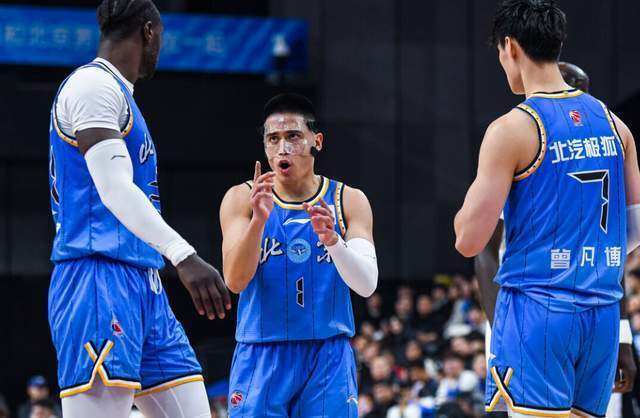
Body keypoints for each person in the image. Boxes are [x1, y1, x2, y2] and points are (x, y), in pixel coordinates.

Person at [454, 0, 639, 416]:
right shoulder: (617, 126)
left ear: (510, 47)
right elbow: (634, 231)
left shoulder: (512, 129)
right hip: (601, 314)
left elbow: (469, 241)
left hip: (537, 311)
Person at [47, 1, 231, 417]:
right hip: (97, 275)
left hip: (144, 281)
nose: (159, 48)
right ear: (149, 32)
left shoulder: (119, 96)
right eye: (160, 37)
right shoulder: (92, 86)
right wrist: (183, 255)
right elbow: (114, 189)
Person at [220, 93, 378, 416]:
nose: (283, 148)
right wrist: (258, 222)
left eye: (293, 136)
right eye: (273, 139)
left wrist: (333, 241)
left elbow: (367, 285)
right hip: (261, 353)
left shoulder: (348, 200)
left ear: (316, 141)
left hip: (328, 354)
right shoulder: (241, 198)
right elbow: (235, 281)